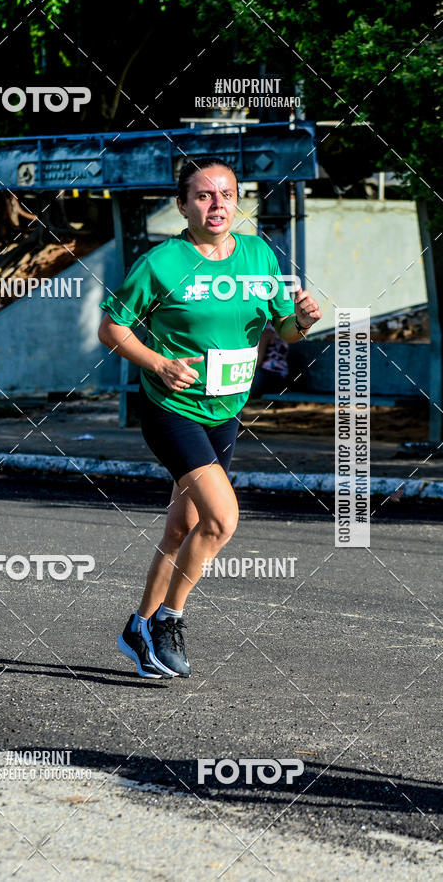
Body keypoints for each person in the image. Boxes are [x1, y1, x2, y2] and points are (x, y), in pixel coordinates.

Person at [97, 157, 322, 679]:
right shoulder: (161, 263)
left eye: (226, 194)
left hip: (225, 410)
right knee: (222, 519)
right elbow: (112, 329)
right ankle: (169, 621)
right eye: (203, 195)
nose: (217, 204)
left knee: (184, 526)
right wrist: (158, 362)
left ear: (238, 202)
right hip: (172, 409)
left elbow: (282, 329)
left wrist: (302, 322)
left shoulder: (258, 255)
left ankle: (138, 626)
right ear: (182, 205)